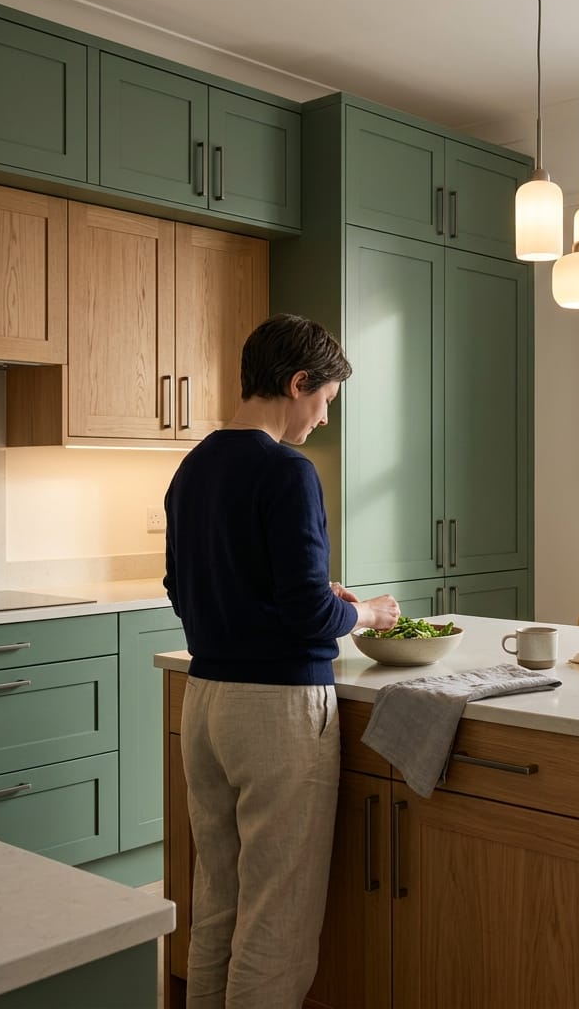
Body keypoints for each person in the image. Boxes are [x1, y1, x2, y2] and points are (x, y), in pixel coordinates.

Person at [163, 312, 399, 1009]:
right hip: (276, 712)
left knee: (219, 900)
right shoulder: (288, 470)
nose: (323, 418)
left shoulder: (195, 463)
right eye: (324, 399)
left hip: (205, 702)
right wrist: (368, 614)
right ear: (297, 383)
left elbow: (188, 587)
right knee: (278, 916)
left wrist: (301, 594)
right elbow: (309, 617)